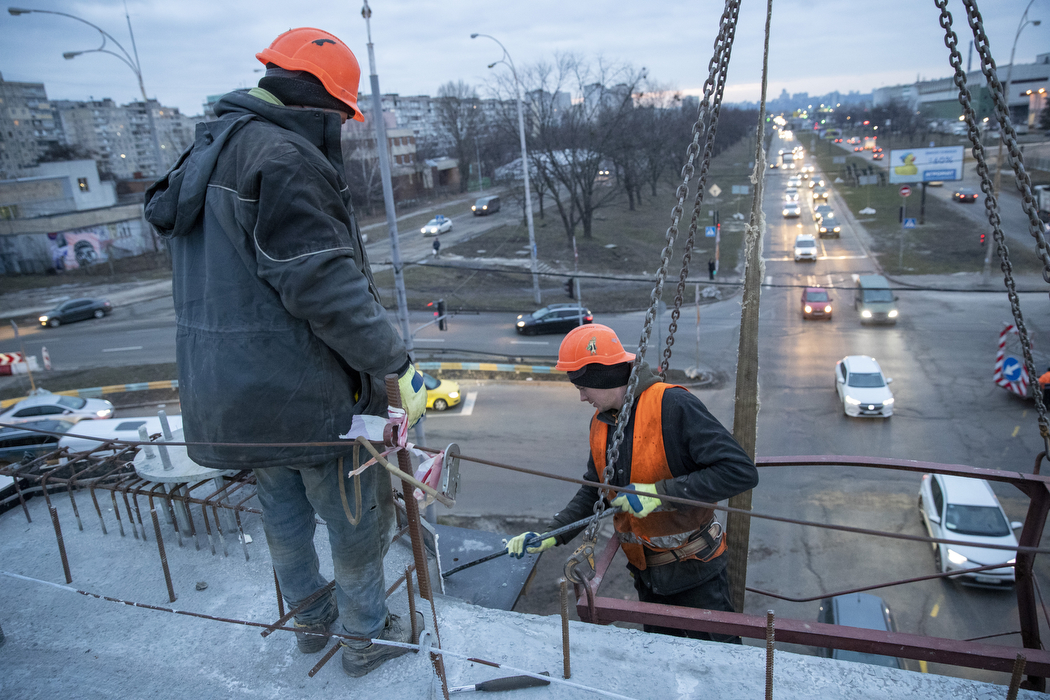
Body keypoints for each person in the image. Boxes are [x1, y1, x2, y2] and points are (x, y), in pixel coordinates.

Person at [144, 27, 426, 678]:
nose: (344, 129)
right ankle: (365, 637)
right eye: (343, 117)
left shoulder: (208, 152)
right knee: (358, 521)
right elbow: (324, 285)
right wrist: (397, 363)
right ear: (324, 104)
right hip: (309, 399)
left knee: (284, 518)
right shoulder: (284, 157)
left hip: (239, 401)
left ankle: (312, 626)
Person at [508, 324, 758, 642]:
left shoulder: (674, 407)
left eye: (583, 387)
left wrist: (659, 494)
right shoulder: (602, 424)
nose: (582, 396)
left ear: (604, 377)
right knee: (663, 663)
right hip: (646, 577)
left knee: (719, 663)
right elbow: (594, 491)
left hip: (697, 575)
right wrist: (551, 535)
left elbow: (740, 471)